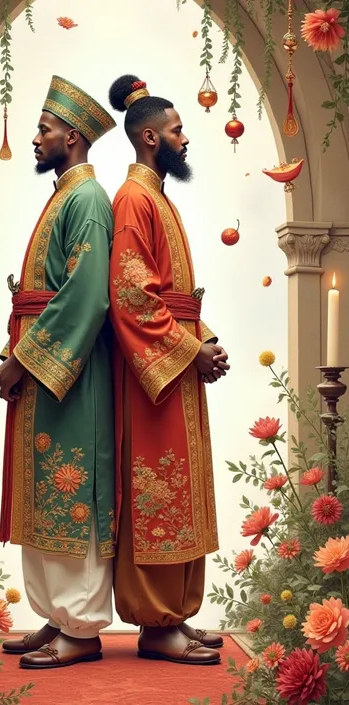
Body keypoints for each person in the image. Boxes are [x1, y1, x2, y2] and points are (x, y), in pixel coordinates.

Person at [108, 74, 230, 665]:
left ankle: (176, 615)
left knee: (182, 491)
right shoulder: (133, 200)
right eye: (179, 129)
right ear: (151, 136)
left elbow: (174, 296)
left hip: (176, 365)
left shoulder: (157, 197)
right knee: (156, 491)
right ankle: (156, 624)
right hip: (150, 381)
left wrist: (204, 339)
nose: (186, 138)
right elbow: (131, 295)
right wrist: (189, 349)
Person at [0, 75, 117, 669]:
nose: (36, 138)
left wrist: (23, 361)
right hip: (44, 374)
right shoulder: (65, 195)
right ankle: (57, 616)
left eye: (44, 129)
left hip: (72, 376)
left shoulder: (88, 201)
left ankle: (83, 628)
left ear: (72, 136)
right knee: (44, 493)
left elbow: (87, 296)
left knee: (72, 494)